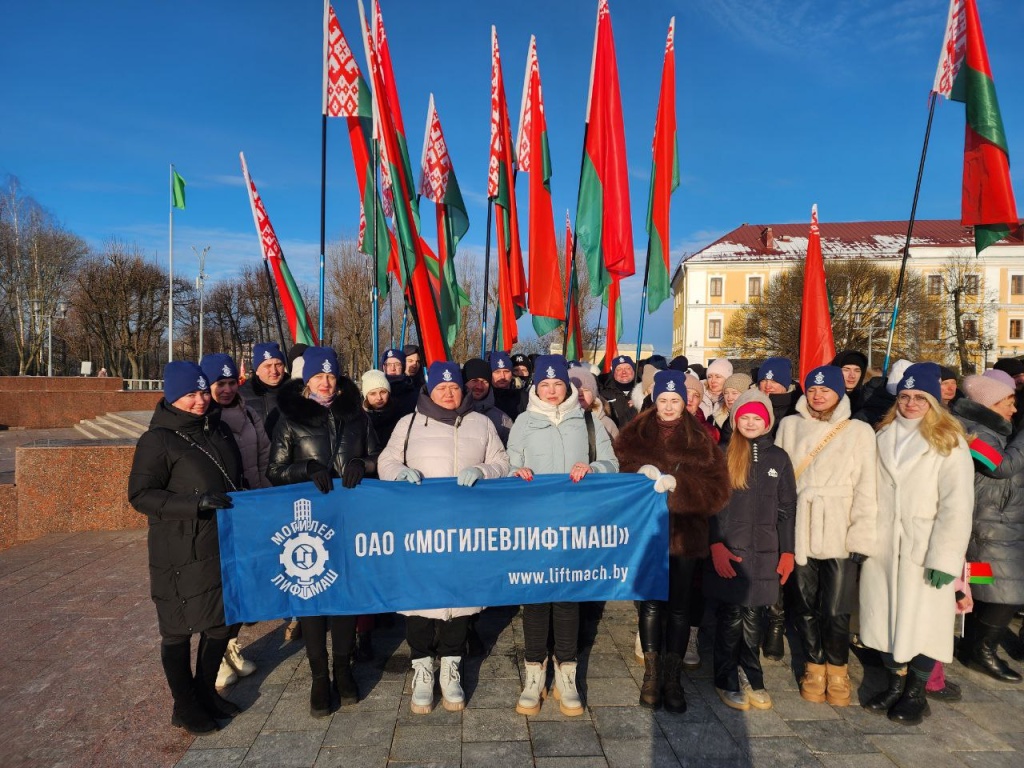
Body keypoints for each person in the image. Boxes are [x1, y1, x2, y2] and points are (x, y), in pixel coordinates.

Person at [377, 361, 510, 714]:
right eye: (442, 388)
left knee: (460, 597)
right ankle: (422, 666)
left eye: (454, 388)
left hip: (466, 529)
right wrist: (399, 472)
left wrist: (482, 470)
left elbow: (502, 462)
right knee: (420, 598)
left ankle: (451, 665)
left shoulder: (481, 423)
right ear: (429, 390)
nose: (449, 393)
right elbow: (385, 461)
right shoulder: (408, 424)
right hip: (420, 529)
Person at [128, 361, 244, 735]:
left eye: (201, 392)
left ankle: (205, 693)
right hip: (179, 548)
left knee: (221, 623)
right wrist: (195, 503)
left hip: (222, 543)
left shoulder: (219, 429)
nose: (199, 401)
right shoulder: (157, 439)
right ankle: (185, 704)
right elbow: (141, 495)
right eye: (189, 395)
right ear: (172, 396)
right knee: (178, 629)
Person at [858, 363, 974, 725]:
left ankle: (916, 693)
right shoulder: (882, 436)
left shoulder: (949, 443)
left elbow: (957, 506)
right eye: (905, 396)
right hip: (882, 544)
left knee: (923, 622)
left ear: (933, 401)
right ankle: (895, 683)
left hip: (924, 548)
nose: (911, 403)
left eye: (919, 397)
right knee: (888, 618)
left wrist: (945, 558)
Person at [268, 346, 380, 716]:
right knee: (314, 597)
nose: (326, 382)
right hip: (309, 524)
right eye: (319, 376)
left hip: (350, 518)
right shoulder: (290, 420)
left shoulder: (357, 417)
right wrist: (305, 470)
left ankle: (342, 669)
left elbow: (380, 457)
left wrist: (363, 464)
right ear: (307, 381)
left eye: (331, 375)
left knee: (345, 595)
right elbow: (274, 470)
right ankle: (319, 677)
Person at [506, 355, 618, 716]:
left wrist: (593, 467)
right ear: (536, 387)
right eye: (545, 384)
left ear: (567, 386)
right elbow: (509, 463)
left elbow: (611, 463)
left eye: (558, 384)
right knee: (536, 597)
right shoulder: (523, 422)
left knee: (568, 598)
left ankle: (566, 671)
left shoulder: (587, 420)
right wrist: (516, 472)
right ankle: (535, 672)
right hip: (534, 525)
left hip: (575, 525)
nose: (552, 391)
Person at [614, 369, 730, 713]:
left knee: (679, 607)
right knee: (650, 605)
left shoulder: (701, 440)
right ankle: (651, 675)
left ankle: (672, 676)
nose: (667, 406)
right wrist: (639, 477)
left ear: (684, 403)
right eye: (662, 400)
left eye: (674, 400)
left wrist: (681, 488)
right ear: (653, 400)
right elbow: (618, 475)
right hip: (647, 534)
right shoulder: (634, 434)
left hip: (685, 534)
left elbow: (718, 490)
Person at [775, 365, 877, 707]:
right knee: (803, 604)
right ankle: (814, 665)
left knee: (835, 608)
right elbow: (779, 478)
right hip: (800, 524)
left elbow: (867, 487)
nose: (818, 395)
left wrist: (861, 535)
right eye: (812, 389)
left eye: (826, 390)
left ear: (840, 393)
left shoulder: (858, 432)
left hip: (840, 525)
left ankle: (838, 668)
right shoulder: (789, 426)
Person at [705, 388, 796, 711]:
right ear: (736, 418)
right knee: (731, 617)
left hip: (766, 552)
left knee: (755, 616)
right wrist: (715, 544)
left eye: (758, 417)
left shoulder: (779, 458)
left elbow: (787, 508)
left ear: (768, 420)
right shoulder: (722, 452)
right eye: (745, 417)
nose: (751, 422)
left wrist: (788, 551)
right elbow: (711, 505)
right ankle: (725, 676)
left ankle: (751, 673)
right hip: (732, 550)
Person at [199, 352, 271, 687]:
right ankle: (216, 658)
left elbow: (264, 455)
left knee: (243, 583)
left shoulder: (249, 411)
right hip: (221, 510)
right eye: (219, 383)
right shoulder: (203, 417)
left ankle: (231, 645)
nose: (226, 389)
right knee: (220, 584)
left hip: (250, 505)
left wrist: (263, 495)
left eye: (231, 382)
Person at [953, 369, 1024, 682]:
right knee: (1006, 594)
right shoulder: (972, 431)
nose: (1014, 408)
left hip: (998, 523)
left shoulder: (991, 427)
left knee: (985, 586)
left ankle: (973, 647)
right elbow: (1000, 466)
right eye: (1008, 402)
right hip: (989, 525)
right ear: (990, 402)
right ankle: (983, 650)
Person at [238, 342, 288, 438]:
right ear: (257, 370)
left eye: (278, 365)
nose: (274, 371)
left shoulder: (297, 392)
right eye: (268, 366)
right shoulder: (241, 395)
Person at [463, 357, 514, 445]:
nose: (479, 386)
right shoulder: (451, 413)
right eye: (474, 381)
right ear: (464, 382)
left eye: (484, 382)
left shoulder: (503, 420)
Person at [569, 365, 618, 439]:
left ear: (594, 395)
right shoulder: (555, 420)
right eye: (576, 389)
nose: (580, 393)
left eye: (586, 390)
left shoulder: (606, 424)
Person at [361, 369, 401, 447]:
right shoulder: (360, 419)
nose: (379, 398)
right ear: (366, 396)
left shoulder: (399, 415)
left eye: (383, 392)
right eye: (373, 394)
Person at [599, 355, 639, 427]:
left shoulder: (643, 392)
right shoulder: (603, 394)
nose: (623, 372)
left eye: (628, 368)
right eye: (619, 369)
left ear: (634, 371)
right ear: (613, 373)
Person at [718, 372, 753, 450]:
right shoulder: (718, 419)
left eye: (734, 393)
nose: (729, 397)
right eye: (726, 393)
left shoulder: (754, 420)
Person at [381, 347, 418, 417]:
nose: (392, 368)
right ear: (383, 367)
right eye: (388, 364)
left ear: (403, 367)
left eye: (397, 364)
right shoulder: (375, 389)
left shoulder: (412, 391)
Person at [490, 351, 527, 420]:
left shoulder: (523, 397)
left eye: (506, 371)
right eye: (497, 372)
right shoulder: (486, 398)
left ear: (511, 373)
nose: (502, 376)